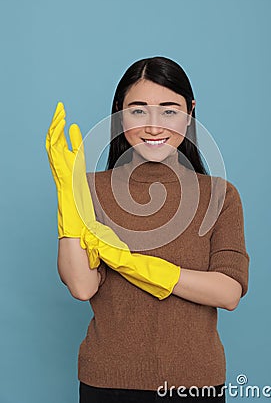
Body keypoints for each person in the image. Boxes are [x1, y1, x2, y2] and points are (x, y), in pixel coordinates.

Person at [46, 56, 250, 402]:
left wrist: (144, 268)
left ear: (190, 112)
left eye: (169, 110)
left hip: (195, 381)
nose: (154, 126)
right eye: (138, 110)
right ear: (119, 113)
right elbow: (82, 287)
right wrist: (70, 199)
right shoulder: (89, 189)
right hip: (106, 379)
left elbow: (228, 292)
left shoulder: (219, 195)